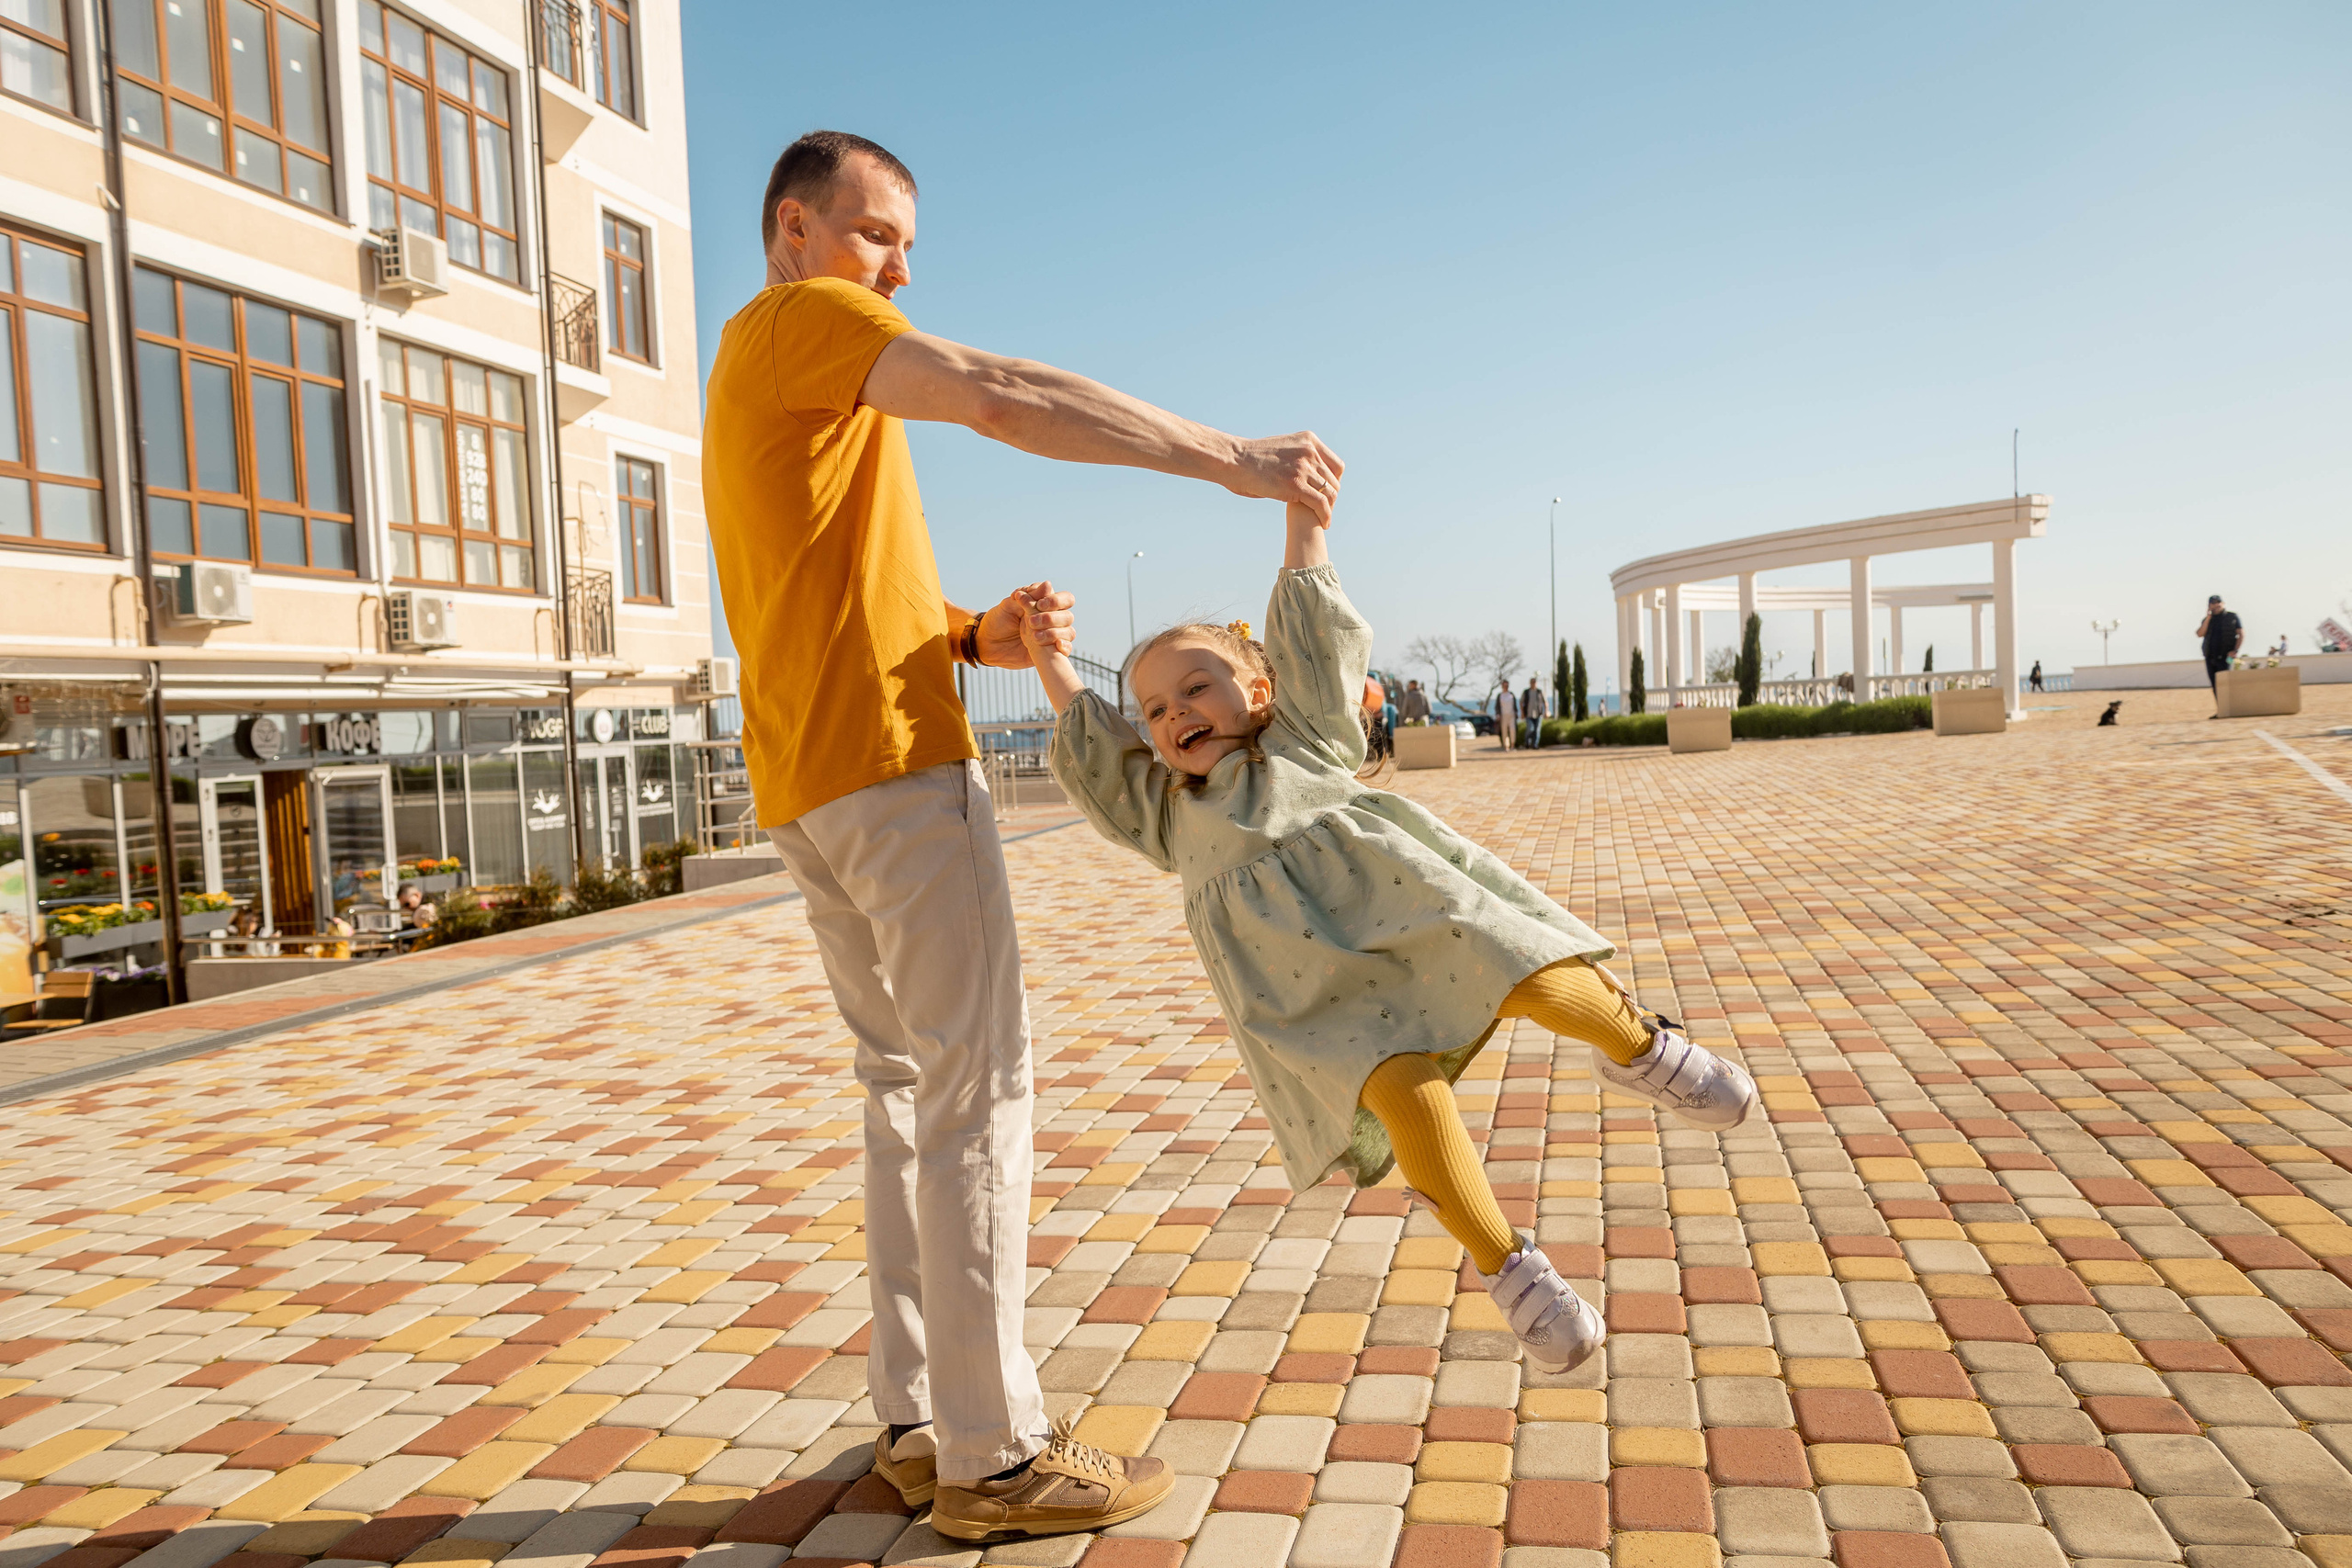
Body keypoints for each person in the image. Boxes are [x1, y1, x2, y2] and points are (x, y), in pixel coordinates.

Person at [701, 130, 1341, 1543]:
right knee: (977, 1099)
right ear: (795, 232)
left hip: (814, 780)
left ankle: (923, 1424)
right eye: (877, 235)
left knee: (904, 1099)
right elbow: (998, 394)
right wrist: (1234, 460)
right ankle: (996, 1456)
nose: (899, 271)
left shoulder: (753, 365)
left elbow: (809, 591)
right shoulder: (813, 319)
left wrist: (966, 635)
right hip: (893, 784)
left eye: (908, 248)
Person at [1023, 502, 1758, 1379]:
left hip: (1416, 918)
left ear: (1255, 692)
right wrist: (1048, 657)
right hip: (1317, 999)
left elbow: (1310, 634)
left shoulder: (1303, 741)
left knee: (1532, 974)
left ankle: (1640, 1046)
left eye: (1196, 686)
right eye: (1154, 708)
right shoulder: (1167, 817)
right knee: (1410, 1101)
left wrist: (1304, 516)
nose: (1175, 711)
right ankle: (1513, 1271)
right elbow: (1091, 745)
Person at [2197, 594, 2243, 714]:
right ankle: (2222, 710)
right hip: (2210, 657)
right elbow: (2200, 633)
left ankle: (2232, 709)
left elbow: (2241, 634)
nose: (2215, 606)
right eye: (2212, 603)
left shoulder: (2232, 617)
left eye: (2218, 603)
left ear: (2223, 603)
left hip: (2226, 657)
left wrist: (2235, 650)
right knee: (2215, 685)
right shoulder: (2207, 620)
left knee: (2226, 685)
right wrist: (2208, 618)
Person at [1521, 676, 1548, 748]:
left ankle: (1535, 745)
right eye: (1532, 682)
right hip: (1529, 714)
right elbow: (1521, 702)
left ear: (1536, 683)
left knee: (1537, 730)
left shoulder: (1540, 691)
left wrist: (1546, 712)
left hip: (1538, 714)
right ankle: (1527, 742)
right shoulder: (1526, 692)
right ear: (1530, 683)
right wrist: (1522, 713)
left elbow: (1545, 702)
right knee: (1530, 728)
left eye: (1534, 682)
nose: (1533, 684)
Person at [1493, 679, 1519, 750]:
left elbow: (1515, 705)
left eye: (1507, 685)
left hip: (1511, 715)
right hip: (1503, 716)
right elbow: (1497, 706)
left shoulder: (1511, 694)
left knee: (1512, 730)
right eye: (1504, 685)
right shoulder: (1500, 695)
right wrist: (1498, 714)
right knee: (1504, 731)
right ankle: (1506, 746)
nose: (1505, 687)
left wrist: (1516, 713)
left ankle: (1513, 745)